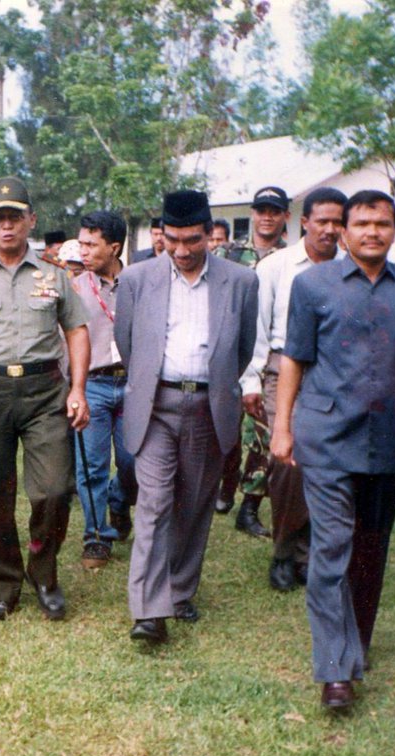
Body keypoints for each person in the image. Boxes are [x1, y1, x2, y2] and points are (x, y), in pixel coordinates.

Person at [271, 189, 395, 711]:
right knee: (332, 547)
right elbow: (294, 358)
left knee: (371, 549)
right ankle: (335, 671)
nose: (372, 232)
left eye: (382, 223)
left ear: (394, 229)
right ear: (343, 231)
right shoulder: (311, 285)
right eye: (361, 223)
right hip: (327, 436)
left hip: (386, 440)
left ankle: (355, 642)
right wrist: (282, 425)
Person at [114, 190, 258, 644]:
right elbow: (128, 344)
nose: (181, 250)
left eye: (192, 240)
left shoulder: (241, 282)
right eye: (171, 239)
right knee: (154, 502)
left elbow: (243, 349)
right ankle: (148, 611)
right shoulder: (137, 280)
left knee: (195, 502)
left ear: (210, 235)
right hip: (156, 404)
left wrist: (212, 384)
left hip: (208, 405)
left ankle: (179, 591)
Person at [0, 176, 90, 623]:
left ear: (31, 220)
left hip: (45, 391)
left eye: (15, 217)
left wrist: (78, 388)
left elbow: (77, 331)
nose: (7, 226)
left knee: (53, 490)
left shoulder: (56, 276)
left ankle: (44, 575)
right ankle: (4, 582)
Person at [244, 187, 346, 592]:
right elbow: (256, 328)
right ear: (303, 221)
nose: (330, 230)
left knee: (326, 466)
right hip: (281, 371)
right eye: (322, 221)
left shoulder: (350, 267)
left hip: (335, 377)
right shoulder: (276, 267)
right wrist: (250, 380)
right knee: (287, 463)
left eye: (339, 222)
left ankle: (311, 554)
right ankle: (285, 550)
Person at [216, 186, 291, 538]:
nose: (267, 217)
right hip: (224, 352)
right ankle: (220, 489)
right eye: (261, 210)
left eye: (274, 211)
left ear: (286, 216)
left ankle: (249, 506)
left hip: (265, 355)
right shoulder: (227, 253)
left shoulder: (292, 259)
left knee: (262, 430)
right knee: (220, 430)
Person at [73, 210, 136, 570]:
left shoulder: (138, 283)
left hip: (132, 384)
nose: (83, 251)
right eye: (80, 243)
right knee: (91, 464)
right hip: (92, 384)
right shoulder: (75, 287)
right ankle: (96, 536)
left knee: (133, 462)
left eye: (91, 244)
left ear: (114, 247)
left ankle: (118, 500)